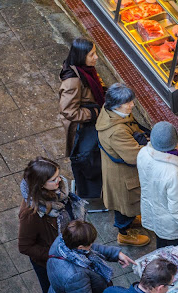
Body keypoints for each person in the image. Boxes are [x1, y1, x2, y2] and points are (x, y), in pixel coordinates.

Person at [18, 157, 87, 293]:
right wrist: (56, 254)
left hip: (67, 253)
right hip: (49, 262)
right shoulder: (31, 213)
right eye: (54, 179)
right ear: (40, 185)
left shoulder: (59, 193)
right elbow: (24, 246)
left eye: (58, 176)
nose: (60, 181)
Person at [96, 83, 151, 247]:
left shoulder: (112, 113)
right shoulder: (116, 131)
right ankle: (124, 234)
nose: (132, 105)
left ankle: (130, 220)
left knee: (127, 204)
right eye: (128, 103)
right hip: (123, 176)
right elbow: (135, 156)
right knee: (124, 204)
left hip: (118, 172)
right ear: (116, 105)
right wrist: (148, 148)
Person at [137, 121, 178, 248]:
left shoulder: (143, 153)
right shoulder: (173, 172)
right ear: (175, 142)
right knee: (176, 256)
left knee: (162, 246)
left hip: (155, 213)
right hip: (172, 226)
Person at [59, 37, 105, 198]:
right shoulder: (73, 80)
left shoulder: (86, 69)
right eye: (92, 54)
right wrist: (94, 113)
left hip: (91, 118)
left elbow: (94, 87)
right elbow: (68, 111)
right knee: (89, 156)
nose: (96, 57)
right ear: (81, 56)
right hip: (83, 126)